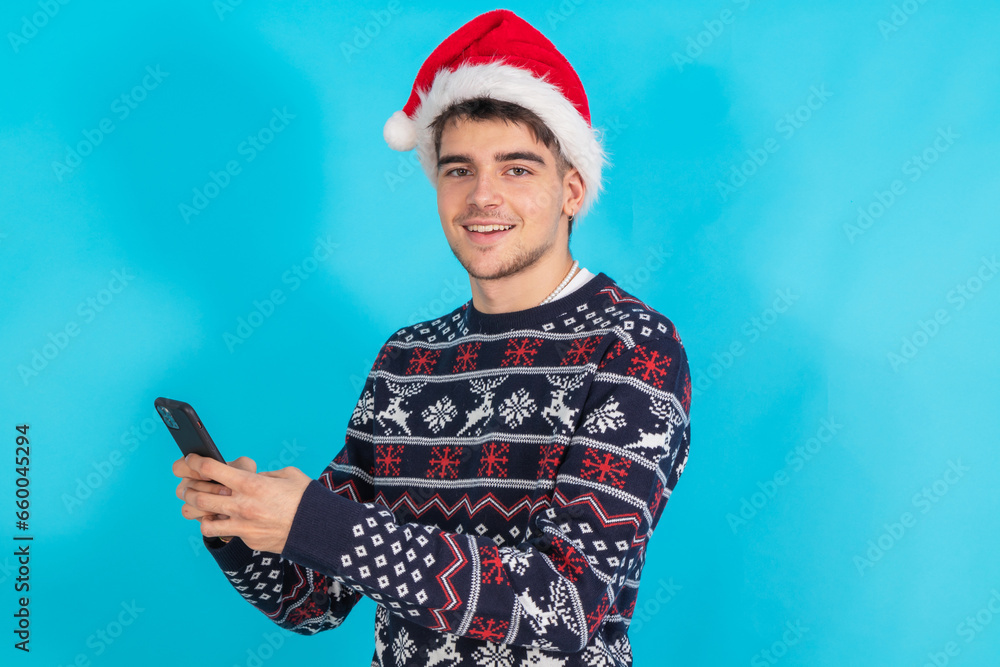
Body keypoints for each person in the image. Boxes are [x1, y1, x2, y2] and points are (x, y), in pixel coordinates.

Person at [173, 9, 692, 666]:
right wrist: (243, 520)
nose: (483, 196)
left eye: (517, 169)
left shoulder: (634, 346)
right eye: (458, 170)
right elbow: (311, 599)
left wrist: (316, 522)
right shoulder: (407, 359)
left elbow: (562, 604)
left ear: (572, 188)